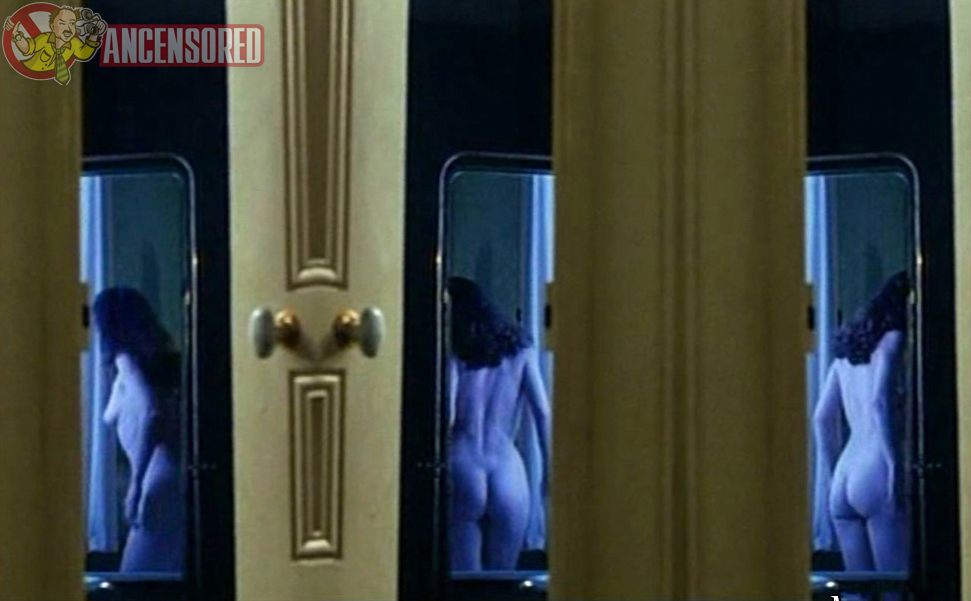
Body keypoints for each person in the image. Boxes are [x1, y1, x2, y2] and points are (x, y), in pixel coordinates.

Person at [446, 277, 551, 571]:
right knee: (502, 578)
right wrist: (549, 470)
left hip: (463, 465)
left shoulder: (456, 352)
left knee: (467, 581)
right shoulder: (521, 350)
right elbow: (543, 413)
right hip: (508, 470)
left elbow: (448, 414)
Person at [814, 271, 910, 577]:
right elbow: (880, 401)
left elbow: (822, 418)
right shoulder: (894, 340)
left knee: (859, 591)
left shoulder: (847, 355)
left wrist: (832, 475)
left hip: (845, 473)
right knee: (894, 585)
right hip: (875, 469)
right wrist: (894, 465)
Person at [93, 287, 185, 573]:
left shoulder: (127, 362)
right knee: (160, 571)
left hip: (155, 478)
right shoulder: (155, 364)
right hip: (170, 475)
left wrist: (136, 483)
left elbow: (150, 411)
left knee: (136, 573)